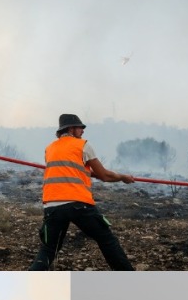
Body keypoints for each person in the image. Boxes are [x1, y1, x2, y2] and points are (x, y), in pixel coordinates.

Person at [28, 113, 136, 270]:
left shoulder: (49, 148)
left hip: (51, 206)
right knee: (107, 240)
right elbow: (104, 175)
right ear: (71, 129)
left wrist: (90, 173)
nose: (83, 131)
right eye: (80, 128)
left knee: (49, 249)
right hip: (77, 203)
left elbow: (71, 170)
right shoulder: (83, 145)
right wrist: (122, 177)